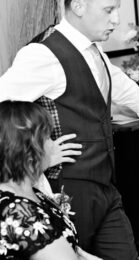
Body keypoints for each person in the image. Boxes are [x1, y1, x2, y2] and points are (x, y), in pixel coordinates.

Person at [0, 0, 139, 259]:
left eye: (117, 10)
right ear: (78, 6)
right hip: (68, 192)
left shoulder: (94, 50)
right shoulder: (42, 55)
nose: (116, 19)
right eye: (108, 10)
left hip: (106, 187)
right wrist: (39, 155)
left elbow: (123, 87)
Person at [0, 101, 100, 260]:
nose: (53, 144)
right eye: (48, 138)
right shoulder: (18, 213)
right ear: (29, 149)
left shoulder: (34, 192)